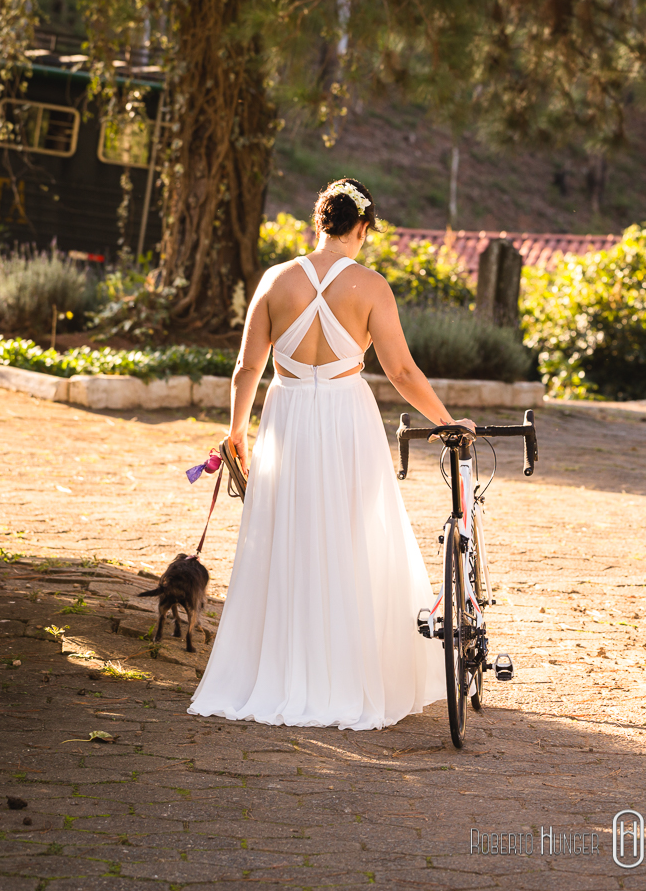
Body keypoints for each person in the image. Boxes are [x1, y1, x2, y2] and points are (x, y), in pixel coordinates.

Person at [189, 178, 472, 730]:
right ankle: (348, 674)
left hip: (287, 416)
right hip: (346, 419)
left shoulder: (275, 281)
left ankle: (282, 670)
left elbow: (248, 367)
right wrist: (445, 420)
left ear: (319, 222)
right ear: (362, 228)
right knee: (353, 539)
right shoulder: (371, 287)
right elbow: (401, 371)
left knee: (286, 538)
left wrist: (235, 432)